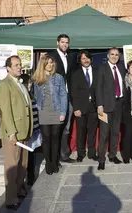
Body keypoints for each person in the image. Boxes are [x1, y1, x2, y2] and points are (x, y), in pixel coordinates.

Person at [0, 55, 33, 210]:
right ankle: (11, 199)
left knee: (22, 164)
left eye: (20, 65)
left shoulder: (21, 83)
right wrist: (11, 132)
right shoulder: (4, 85)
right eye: (16, 65)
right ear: (8, 68)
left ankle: (19, 191)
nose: (19, 67)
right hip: (13, 133)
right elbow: (5, 111)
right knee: (12, 166)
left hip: (23, 131)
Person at [33, 54, 68, 175]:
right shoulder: (37, 79)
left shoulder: (58, 78)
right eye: (48, 63)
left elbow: (64, 95)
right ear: (43, 64)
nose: (50, 65)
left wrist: (63, 112)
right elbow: (35, 96)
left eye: (51, 63)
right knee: (46, 139)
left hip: (56, 111)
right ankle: (48, 162)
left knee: (55, 138)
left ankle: (54, 162)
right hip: (43, 112)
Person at [96, 47, 126, 170]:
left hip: (119, 105)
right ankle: (101, 159)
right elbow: (98, 88)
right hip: (106, 106)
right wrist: (99, 105)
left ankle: (113, 155)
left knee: (115, 132)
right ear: (108, 56)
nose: (114, 56)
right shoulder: (102, 68)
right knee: (104, 134)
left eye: (116, 55)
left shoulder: (121, 68)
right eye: (112, 54)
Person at [48, 34, 76, 164]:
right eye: (62, 42)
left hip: (68, 97)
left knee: (67, 127)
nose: (65, 44)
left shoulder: (71, 56)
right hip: (55, 97)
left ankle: (64, 154)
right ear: (57, 42)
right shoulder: (51, 56)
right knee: (55, 127)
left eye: (67, 42)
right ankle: (54, 156)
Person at [70, 50, 99, 162]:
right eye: (83, 58)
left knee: (92, 132)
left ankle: (92, 153)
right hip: (80, 108)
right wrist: (76, 108)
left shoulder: (97, 71)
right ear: (80, 61)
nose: (86, 60)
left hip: (94, 107)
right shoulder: (76, 73)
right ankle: (81, 153)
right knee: (81, 132)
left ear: (91, 59)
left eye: (87, 58)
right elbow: (73, 92)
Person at [20, 73, 41, 185]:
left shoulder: (31, 95)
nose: (30, 84)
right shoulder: (24, 96)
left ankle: (31, 177)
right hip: (29, 130)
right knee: (28, 155)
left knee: (32, 154)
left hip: (35, 129)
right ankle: (29, 178)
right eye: (29, 82)